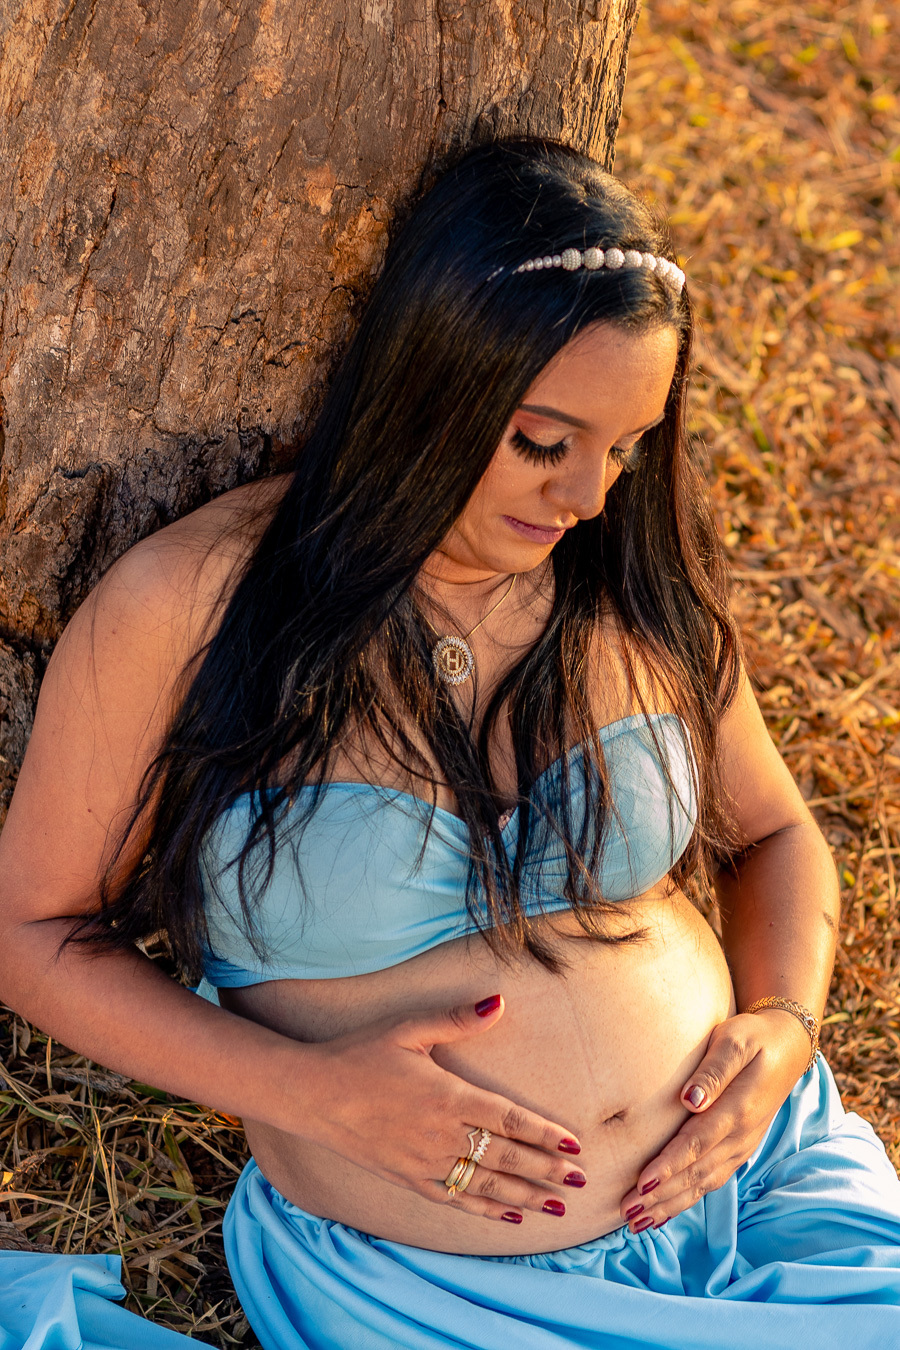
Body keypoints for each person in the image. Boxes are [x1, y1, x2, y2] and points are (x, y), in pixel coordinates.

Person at [1, 138, 900, 1350]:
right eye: (545, 442)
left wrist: (785, 1028)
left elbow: (778, 832)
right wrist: (311, 1094)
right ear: (433, 386)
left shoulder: (624, 572)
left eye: (627, 445)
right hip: (442, 1286)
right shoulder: (194, 605)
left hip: (762, 1188)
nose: (590, 496)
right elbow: (31, 931)